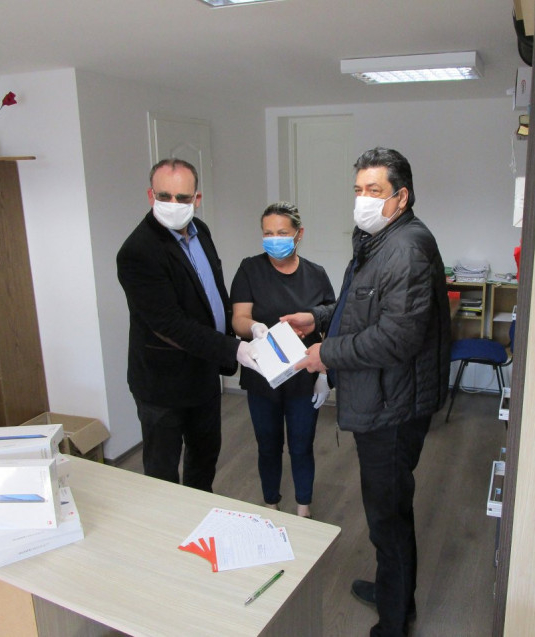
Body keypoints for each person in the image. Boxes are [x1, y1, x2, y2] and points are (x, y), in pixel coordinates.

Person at [283, 147, 450, 636]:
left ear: (401, 197)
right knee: (386, 508)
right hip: (383, 396)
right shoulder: (379, 238)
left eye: (374, 190)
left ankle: (394, 622)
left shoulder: (407, 248)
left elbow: (397, 337)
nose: (362, 200)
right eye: (358, 190)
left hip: (394, 405)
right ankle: (394, 591)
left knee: (387, 514)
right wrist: (317, 317)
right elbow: (363, 306)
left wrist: (327, 354)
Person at [117, 158, 260, 492]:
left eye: (182, 198)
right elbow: (170, 324)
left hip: (203, 374)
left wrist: (243, 325)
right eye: (164, 196)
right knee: (163, 472)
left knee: (204, 458)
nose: (173, 204)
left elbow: (211, 292)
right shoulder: (138, 252)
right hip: (162, 383)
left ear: (197, 199)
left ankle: (200, 514)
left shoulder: (201, 231)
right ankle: (168, 523)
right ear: (150, 196)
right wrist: (235, 349)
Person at [230, 202, 335, 518]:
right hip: (263, 375)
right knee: (268, 444)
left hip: (304, 377)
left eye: (282, 233)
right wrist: (254, 328)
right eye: (268, 233)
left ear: (299, 234)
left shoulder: (316, 275)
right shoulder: (250, 270)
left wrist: (324, 374)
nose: (274, 239)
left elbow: (330, 322)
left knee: (302, 444)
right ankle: (271, 505)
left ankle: (304, 508)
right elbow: (239, 318)